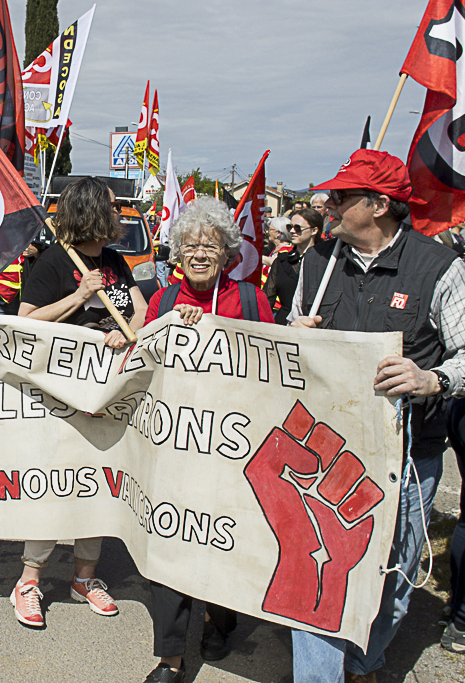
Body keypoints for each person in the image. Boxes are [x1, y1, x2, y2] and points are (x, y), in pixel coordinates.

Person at [289, 149, 465, 683]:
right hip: (327, 453)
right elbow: (288, 351)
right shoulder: (316, 262)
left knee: (393, 578)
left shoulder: (437, 267)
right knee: (320, 573)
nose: (326, 203)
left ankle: (363, 662)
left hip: (409, 456)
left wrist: (433, 379)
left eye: (341, 195)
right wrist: (295, 341)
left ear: (379, 204)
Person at [140, 196, 274, 683]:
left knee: (221, 543)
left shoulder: (252, 300)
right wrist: (133, 338)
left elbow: (274, 368)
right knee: (170, 547)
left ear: (227, 252)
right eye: (190, 244)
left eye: (210, 245)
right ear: (177, 251)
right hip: (174, 448)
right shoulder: (164, 301)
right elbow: (144, 360)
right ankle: (171, 657)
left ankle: (220, 617)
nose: (199, 253)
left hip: (232, 450)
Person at [11, 177, 147, 628]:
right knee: (56, 481)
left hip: (109, 393)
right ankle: (30, 580)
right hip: (64, 396)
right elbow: (26, 321)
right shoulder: (52, 262)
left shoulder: (113, 260)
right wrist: (80, 297)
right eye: (112, 206)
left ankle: (84, 577)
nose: (120, 212)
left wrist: (127, 329)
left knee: (100, 482)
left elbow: (140, 309)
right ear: (91, 211)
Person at [264, 208, 323, 325]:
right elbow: (267, 299)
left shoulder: (325, 263)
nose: (292, 231)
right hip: (283, 324)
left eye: (297, 228)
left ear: (314, 230)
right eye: (289, 227)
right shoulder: (281, 261)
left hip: (314, 325)